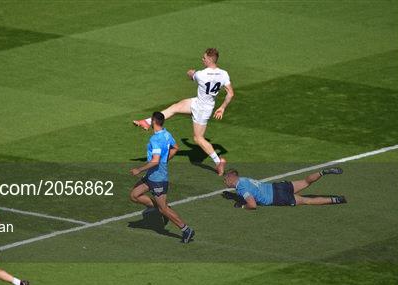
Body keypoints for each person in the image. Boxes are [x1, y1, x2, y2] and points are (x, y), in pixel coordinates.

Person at [133, 48, 234, 176]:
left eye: (204, 58)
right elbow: (230, 93)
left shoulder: (201, 74)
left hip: (202, 109)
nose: (202, 59)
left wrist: (191, 73)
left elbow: (191, 74)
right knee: (174, 108)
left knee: (198, 138)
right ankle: (147, 122)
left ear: (209, 59)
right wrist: (222, 107)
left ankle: (219, 161)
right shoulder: (224, 74)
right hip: (200, 103)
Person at [130, 112, 195, 243]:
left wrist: (139, 169)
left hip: (158, 178)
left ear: (154, 121)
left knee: (164, 209)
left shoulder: (156, 139)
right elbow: (176, 148)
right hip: (151, 175)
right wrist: (165, 159)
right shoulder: (166, 133)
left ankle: (186, 229)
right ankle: (160, 209)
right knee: (134, 195)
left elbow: (155, 160)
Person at [222, 168, 347, 209]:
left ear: (231, 178)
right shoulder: (244, 179)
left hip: (277, 197)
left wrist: (243, 206)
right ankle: (323, 172)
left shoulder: (241, 188)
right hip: (277, 186)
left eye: (225, 179)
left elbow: (253, 205)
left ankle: (337, 200)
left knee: (307, 200)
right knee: (305, 181)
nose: (224, 181)